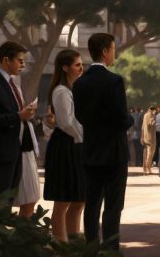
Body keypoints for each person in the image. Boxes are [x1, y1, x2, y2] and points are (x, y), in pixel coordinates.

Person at [75, 33, 132, 249]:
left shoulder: (80, 83)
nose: (114, 53)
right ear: (105, 52)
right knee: (113, 205)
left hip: (90, 149)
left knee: (91, 204)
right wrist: (129, 121)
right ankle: (110, 248)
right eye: (113, 49)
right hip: (114, 151)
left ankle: (90, 246)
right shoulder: (114, 80)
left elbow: (79, 115)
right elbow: (121, 116)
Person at [0, 41, 36, 209]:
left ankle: (2, 232)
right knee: (1, 199)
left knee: (9, 200)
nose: (23, 65)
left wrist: (24, 114)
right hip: (1, 150)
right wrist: (18, 116)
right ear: (6, 60)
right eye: (20, 60)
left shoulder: (11, 84)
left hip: (15, 148)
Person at [44, 49, 87, 243]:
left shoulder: (73, 89)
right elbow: (67, 123)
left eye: (81, 64)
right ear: (65, 67)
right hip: (65, 146)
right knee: (63, 200)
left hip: (76, 145)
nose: (81, 68)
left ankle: (74, 241)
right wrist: (88, 136)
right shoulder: (61, 91)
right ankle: (62, 245)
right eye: (77, 65)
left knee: (79, 199)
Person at [141, 105, 158, 174]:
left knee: (145, 153)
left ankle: (144, 168)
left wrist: (141, 137)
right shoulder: (151, 115)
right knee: (150, 153)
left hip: (145, 137)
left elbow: (142, 127)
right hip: (151, 137)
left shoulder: (145, 115)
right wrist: (154, 118)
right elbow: (151, 124)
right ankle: (148, 168)